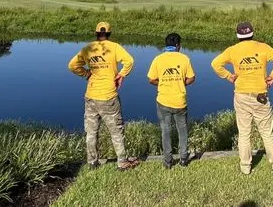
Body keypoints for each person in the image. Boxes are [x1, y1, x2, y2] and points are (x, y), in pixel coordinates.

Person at [211, 21, 273, 175]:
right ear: (252, 33)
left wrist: (228, 76)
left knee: (244, 133)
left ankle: (245, 167)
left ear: (238, 35)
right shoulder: (263, 47)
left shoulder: (232, 50)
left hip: (241, 95)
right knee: (267, 133)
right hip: (260, 96)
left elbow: (215, 64)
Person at [67, 21, 140, 171]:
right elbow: (130, 61)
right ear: (109, 34)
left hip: (91, 96)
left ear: (96, 34)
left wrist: (87, 73)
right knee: (116, 131)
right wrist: (121, 75)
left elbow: (72, 65)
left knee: (91, 132)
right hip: (109, 97)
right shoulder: (114, 47)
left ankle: (92, 162)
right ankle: (122, 162)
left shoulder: (88, 48)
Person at [146, 32, 196, 169]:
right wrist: (180, 82)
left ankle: (168, 161)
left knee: (165, 131)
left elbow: (151, 79)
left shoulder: (158, 59)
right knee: (183, 131)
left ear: (166, 44)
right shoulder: (184, 58)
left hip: (163, 101)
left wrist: (162, 83)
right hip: (180, 102)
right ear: (178, 45)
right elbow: (192, 78)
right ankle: (184, 159)